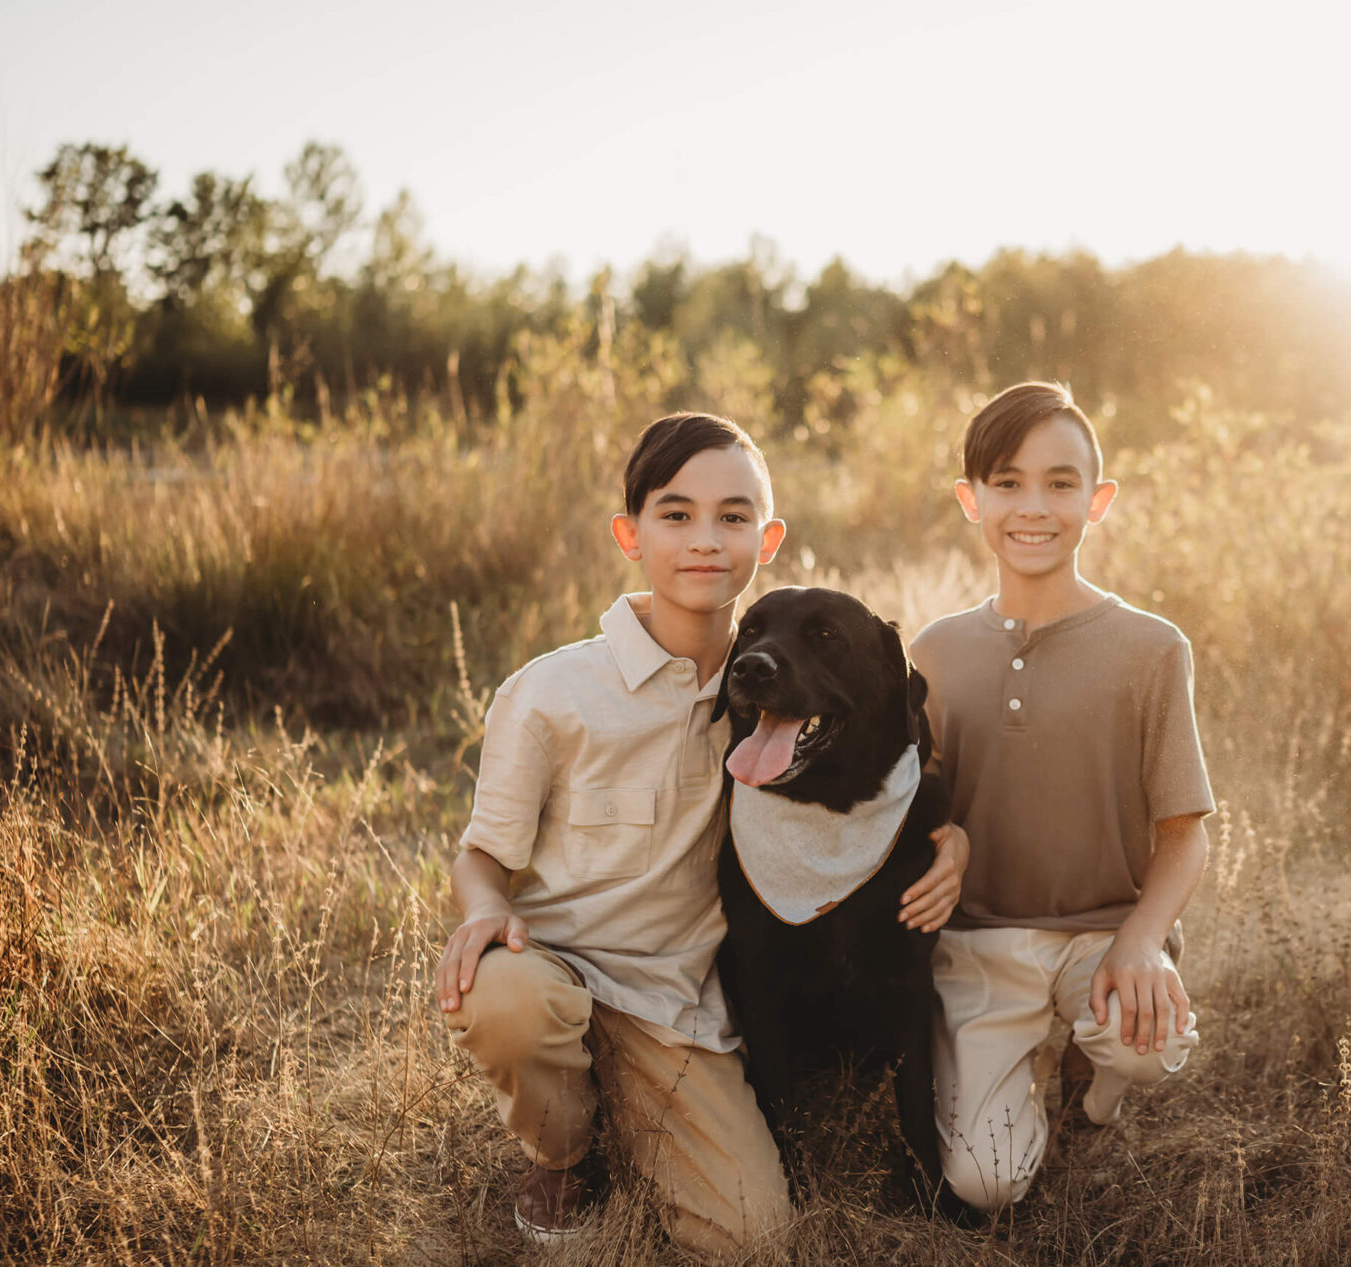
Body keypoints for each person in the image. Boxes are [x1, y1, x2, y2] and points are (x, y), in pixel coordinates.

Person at [434, 412, 967, 1259]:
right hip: (560, 972)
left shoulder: (771, 681)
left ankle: (637, 1113)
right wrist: (482, 910)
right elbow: (482, 852)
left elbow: (876, 782)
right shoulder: (550, 692)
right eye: (675, 515)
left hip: (676, 1010)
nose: (705, 539)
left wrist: (953, 840)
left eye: (733, 516)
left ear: (768, 536)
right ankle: (565, 1157)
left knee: (755, 1238)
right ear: (630, 533)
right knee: (508, 997)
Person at [909, 381, 1214, 1214]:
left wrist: (1143, 941)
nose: (1033, 506)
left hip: (1101, 936)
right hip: (978, 946)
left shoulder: (1152, 647)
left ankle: (1094, 1083)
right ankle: (1024, 1062)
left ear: (1098, 500)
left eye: (1060, 482)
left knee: (1143, 1046)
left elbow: (1184, 834)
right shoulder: (936, 650)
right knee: (986, 1184)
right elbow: (915, 808)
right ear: (972, 501)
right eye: (1006, 482)